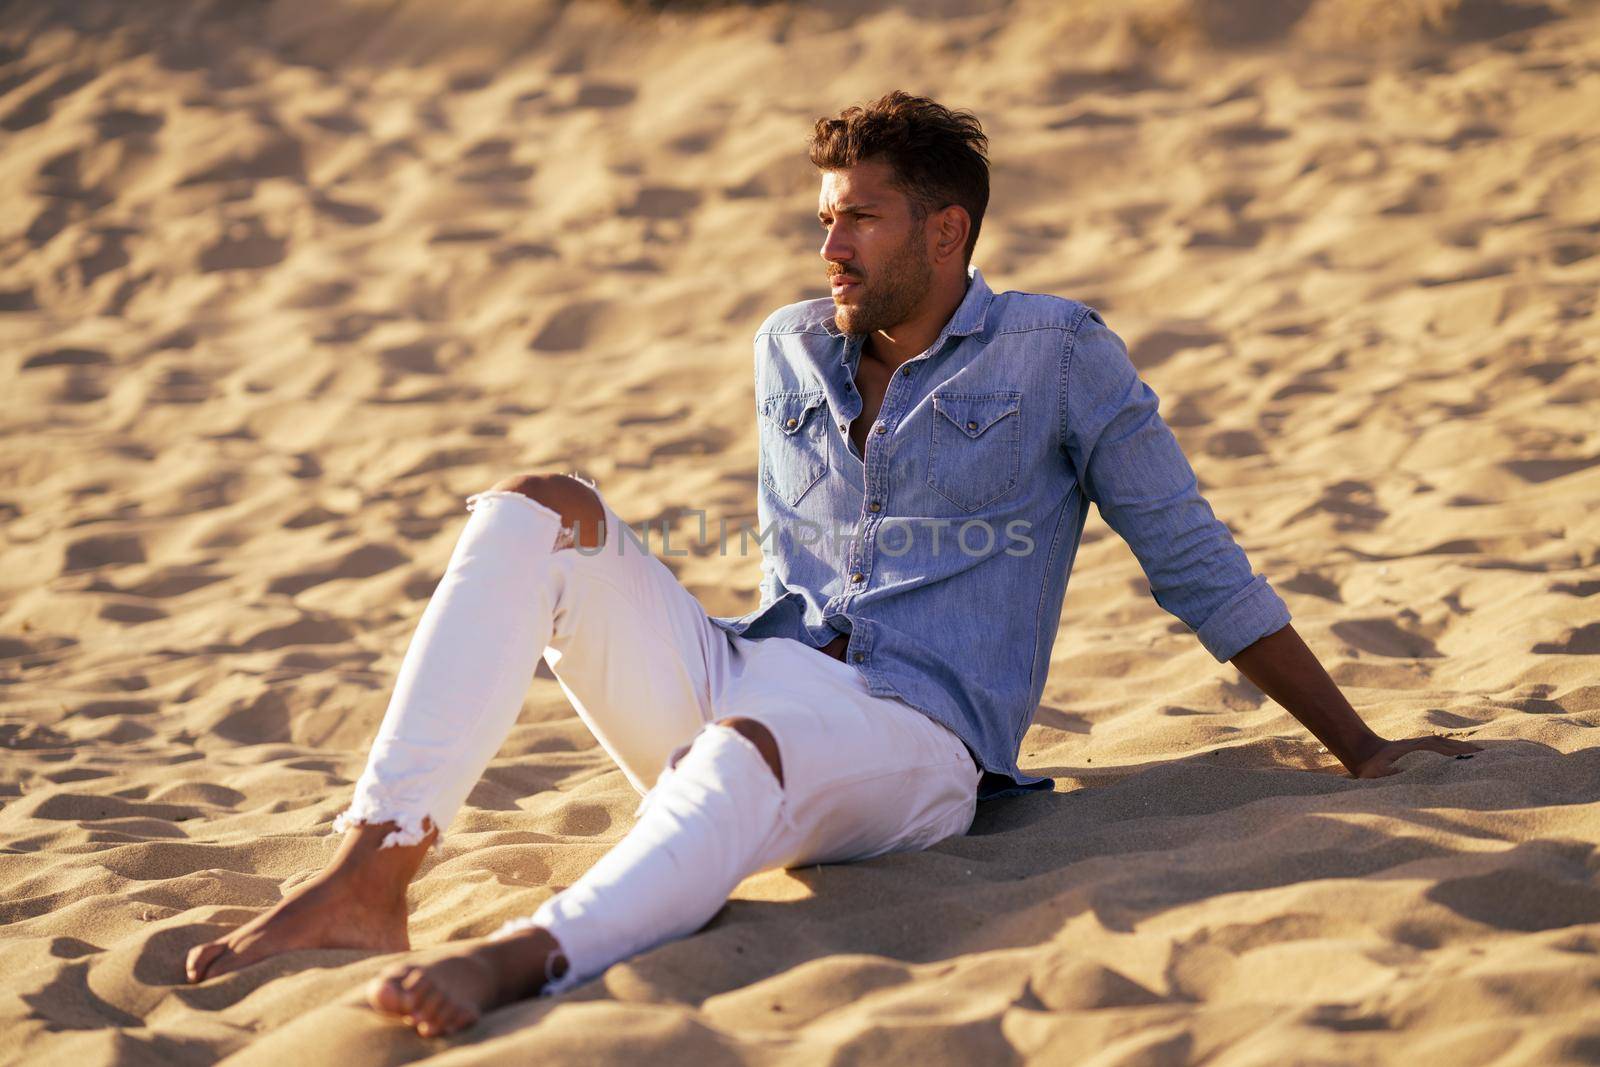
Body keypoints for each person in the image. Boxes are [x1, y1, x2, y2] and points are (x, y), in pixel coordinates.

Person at [182, 90, 1481, 1036]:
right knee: (539, 508)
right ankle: (370, 877)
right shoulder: (788, 348)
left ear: (946, 231)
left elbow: (1193, 562)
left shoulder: (1058, 354)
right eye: (823, 219)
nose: (829, 247)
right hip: (762, 666)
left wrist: (1361, 749)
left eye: (859, 219)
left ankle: (525, 959)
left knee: (749, 747)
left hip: (916, 740)